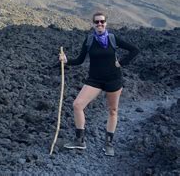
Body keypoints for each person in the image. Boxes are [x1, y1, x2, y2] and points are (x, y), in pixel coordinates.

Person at [59, 12, 139, 156]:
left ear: (106, 23)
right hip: (94, 80)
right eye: (97, 22)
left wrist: (121, 63)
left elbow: (134, 50)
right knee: (77, 105)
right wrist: (66, 61)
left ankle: (108, 143)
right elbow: (80, 60)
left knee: (113, 110)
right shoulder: (89, 40)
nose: (99, 24)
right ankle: (80, 140)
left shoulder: (113, 38)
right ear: (93, 24)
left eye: (102, 22)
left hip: (113, 79)